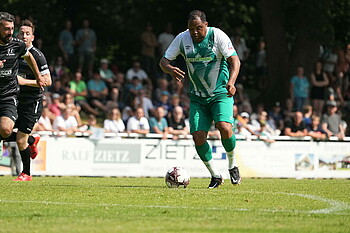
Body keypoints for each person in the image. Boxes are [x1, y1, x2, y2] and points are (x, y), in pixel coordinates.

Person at [159, 10, 241, 188]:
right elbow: (163, 61)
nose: (194, 32)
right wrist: (170, 69)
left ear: (206, 25)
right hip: (197, 97)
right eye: (191, 29)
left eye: (198, 28)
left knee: (224, 127)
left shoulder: (217, 35)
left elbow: (235, 60)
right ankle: (215, 175)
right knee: (198, 136)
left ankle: (232, 165)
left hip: (220, 93)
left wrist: (232, 82)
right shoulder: (182, 38)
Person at [0, 13, 47, 176]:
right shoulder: (16, 47)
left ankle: (26, 173)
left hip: (29, 101)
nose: (12, 33)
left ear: (33, 37)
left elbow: (47, 81)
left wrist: (31, 80)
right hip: (18, 97)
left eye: (13, 29)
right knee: (9, 132)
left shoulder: (36, 54)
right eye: (8, 29)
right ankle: (32, 140)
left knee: (19, 138)